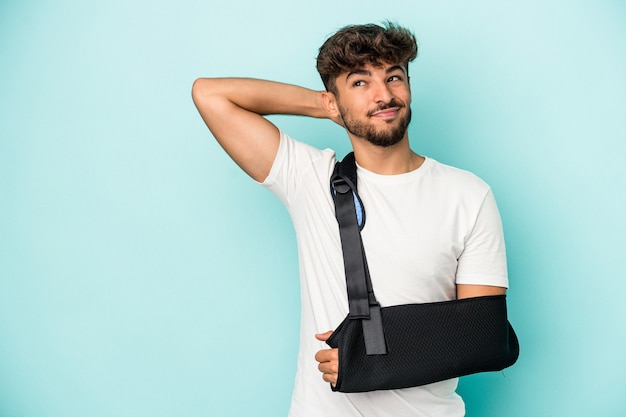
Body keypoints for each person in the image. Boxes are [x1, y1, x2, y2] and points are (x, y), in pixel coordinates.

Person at [192, 22, 508, 417]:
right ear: (333, 102)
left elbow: (484, 336)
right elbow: (210, 94)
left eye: (394, 77)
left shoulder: (468, 194)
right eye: (360, 83)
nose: (384, 95)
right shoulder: (309, 180)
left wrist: (371, 359)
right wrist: (330, 107)